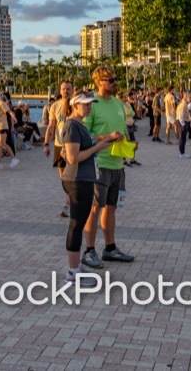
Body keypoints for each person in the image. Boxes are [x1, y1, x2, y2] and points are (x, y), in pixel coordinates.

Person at [59, 91, 122, 287]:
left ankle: (76, 266)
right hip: (77, 180)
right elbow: (72, 157)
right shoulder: (71, 125)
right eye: (85, 105)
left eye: (90, 104)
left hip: (85, 178)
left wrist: (104, 142)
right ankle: (72, 272)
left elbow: (71, 150)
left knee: (79, 223)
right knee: (76, 225)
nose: (89, 107)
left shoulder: (80, 125)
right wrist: (98, 147)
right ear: (75, 105)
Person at [81, 66, 135, 268]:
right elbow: (84, 135)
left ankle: (110, 248)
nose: (114, 82)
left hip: (117, 163)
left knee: (112, 207)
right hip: (99, 164)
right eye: (110, 80)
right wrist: (107, 137)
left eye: (115, 79)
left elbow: (122, 129)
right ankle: (89, 250)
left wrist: (128, 142)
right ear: (98, 82)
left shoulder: (118, 103)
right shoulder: (92, 105)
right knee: (95, 208)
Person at [43, 81, 74, 217]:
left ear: (72, 90)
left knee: (73, 174)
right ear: (60, 91)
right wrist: (46, 144)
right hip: (58, 144)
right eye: (63, 89)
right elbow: (51, 126)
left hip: (73, 145)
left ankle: (69, 203)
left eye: (68, 89)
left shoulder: (76, 105)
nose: (65, 91)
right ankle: (70, 198)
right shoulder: (54, 106)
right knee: (63, 176)